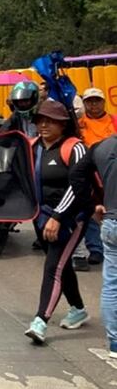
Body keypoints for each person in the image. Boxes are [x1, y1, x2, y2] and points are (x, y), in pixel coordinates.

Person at [24, 99, 91, 345]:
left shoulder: (75, 148)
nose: (44, 124)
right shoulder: (31, 147)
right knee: (62, 266)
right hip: (41, 217)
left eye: (51, 120)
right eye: (40, 120)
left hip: (72, 218)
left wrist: (57, 217)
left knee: (53, 268)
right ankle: (78, 308)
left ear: (63, 124)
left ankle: (40, 321)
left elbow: (79, 185)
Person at [70, 131, 117, 358]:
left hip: (111, 223)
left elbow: (77, 174)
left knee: (111, 284)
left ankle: (115, 343)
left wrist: (92, 206)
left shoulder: (101, 147)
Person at [73, 87, 116, 269]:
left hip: (110, 172)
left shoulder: (114, 121)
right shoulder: (79, 124)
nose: (94, 105)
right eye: (89, 101)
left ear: (103, 102)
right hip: (89, 171)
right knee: (90, 208)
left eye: (97, 101)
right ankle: (96, 249)